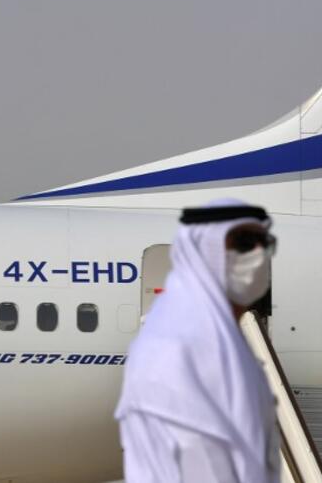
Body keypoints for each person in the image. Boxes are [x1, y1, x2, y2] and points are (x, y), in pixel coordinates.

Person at [115, 200, 280, 483]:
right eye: (243, 243)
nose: (257, 255)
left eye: (265, 243)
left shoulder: (231, 346)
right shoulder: (175, 345)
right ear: (202, 250)